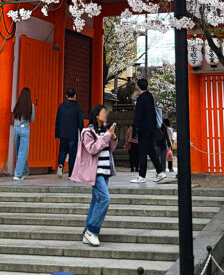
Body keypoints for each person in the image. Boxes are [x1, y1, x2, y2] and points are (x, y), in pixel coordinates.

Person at [69, 104, 118, 247]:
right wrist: (107, 136)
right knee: (105, 199)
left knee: (96, 201)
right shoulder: (87, 132)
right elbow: (92, 149)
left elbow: (110, 150)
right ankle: (92, 230)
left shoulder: (104, 131)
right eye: (103, 112)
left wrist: (113, 138)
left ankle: (87, 231)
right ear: (97, 115)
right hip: (95, 172)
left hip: (105, 170)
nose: (106, 115)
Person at [130, 78, 167, 183]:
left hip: (143, 129)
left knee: (142, 152)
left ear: (138, 87)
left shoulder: (141, 99)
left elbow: (138, 115)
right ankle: (160, 172)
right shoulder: (150, 97)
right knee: (151, 151)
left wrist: (135, 130)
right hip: (151, 129)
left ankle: (142, 176)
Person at [55, 87, 85, 177]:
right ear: (75, 96)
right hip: (73, 133)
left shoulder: (61, 107)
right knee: (72, 154)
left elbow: (57, 121)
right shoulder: (77, 107)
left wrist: (57, 133)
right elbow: (80, 121)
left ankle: (60, 164)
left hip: (63, 133)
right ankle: (71, 173)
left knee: (62, 151)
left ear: (66, 96)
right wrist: (82, 132)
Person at [12, 87, 34, 180]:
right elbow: (32, 119)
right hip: (25, 129)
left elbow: (14, 115)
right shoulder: (31, 106)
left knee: (18, 151)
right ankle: (18, 174)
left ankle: (24, 171)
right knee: (22, 152)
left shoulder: (17, 105)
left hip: (16, 128)